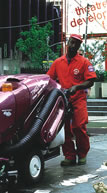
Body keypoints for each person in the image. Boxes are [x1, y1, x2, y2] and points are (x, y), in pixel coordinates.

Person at [47, 34, 97, 166]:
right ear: (67, 43)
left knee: (79, 127)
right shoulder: (58, 62)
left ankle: (82, 154)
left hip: (78, 100)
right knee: (65, 129)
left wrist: (77, 87)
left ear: (79, 46)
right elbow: (49, 79)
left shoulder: (84, 62)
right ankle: (69, 156)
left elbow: (91, 81)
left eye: (76, 44)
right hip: (63, 100)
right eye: (71, 42)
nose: (72, 45)